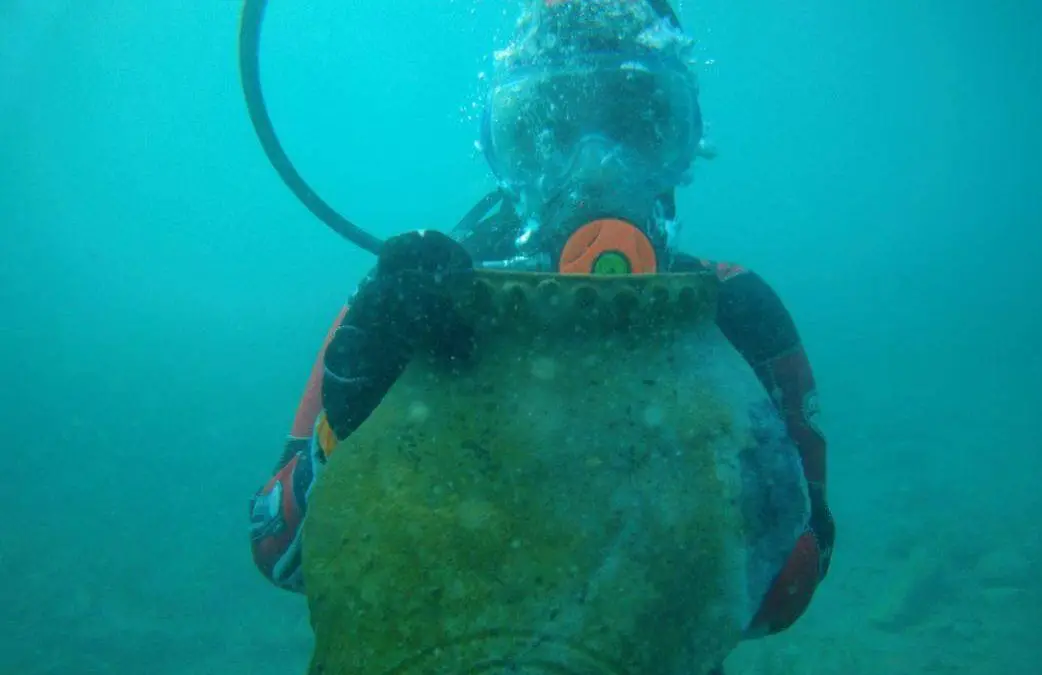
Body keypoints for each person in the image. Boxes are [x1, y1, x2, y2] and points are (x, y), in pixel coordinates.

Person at [249, 0, 835, 646]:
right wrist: (344, 427)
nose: (596, 169)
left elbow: (795, 578)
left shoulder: (736, 314)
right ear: (503, 153)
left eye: (637, 127)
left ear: (683, 143)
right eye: (549, 135)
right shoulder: (409, 308)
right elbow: (279, 550)